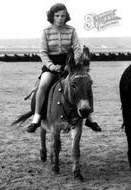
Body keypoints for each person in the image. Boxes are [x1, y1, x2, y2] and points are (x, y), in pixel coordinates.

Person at [26, 3, 101, 133]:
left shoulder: (71, 30)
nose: (60, 18)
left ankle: (89, 117)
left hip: (70, 64)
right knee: (43, 85)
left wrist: (71, 64)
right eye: (57, 15)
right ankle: (36, 118)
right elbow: (43, 52)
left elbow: (78, 49)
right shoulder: (46, 32)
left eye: (63, 15)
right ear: (52, 16)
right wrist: (51, 66)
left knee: (84, 82)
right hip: (51, 65)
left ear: (66, 16)